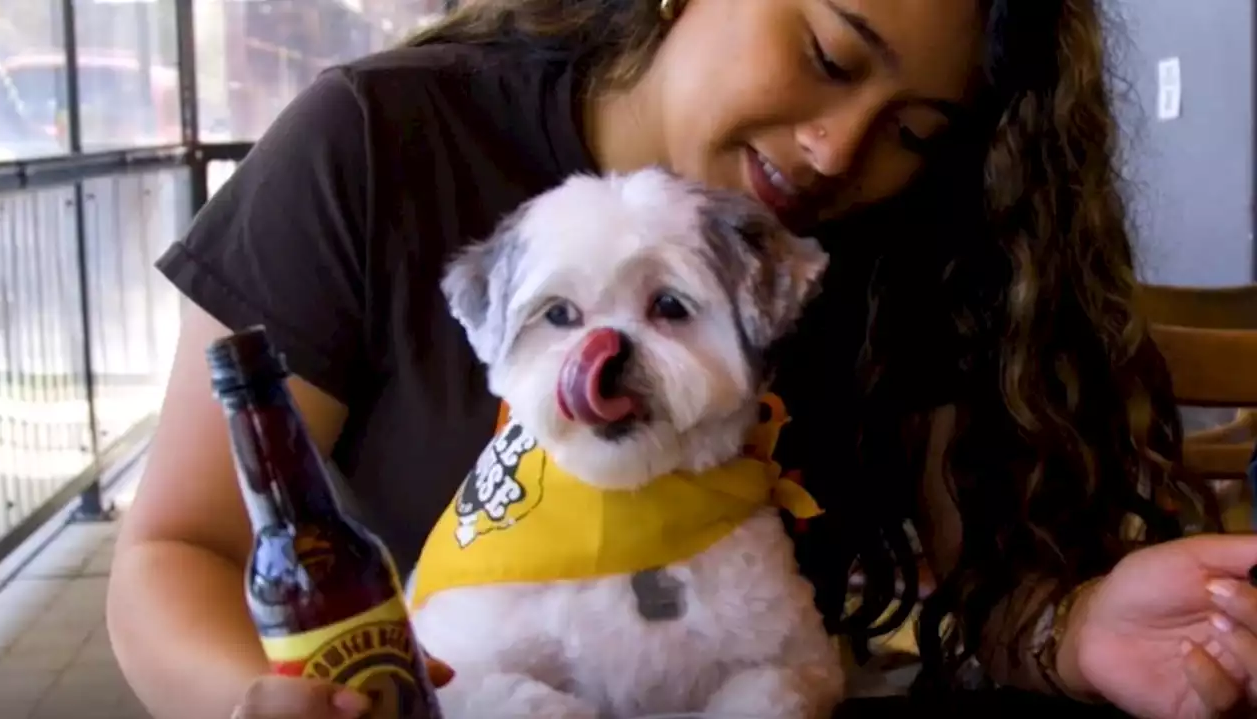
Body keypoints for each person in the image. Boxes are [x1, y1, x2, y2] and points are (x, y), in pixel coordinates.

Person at [106, 0, 1257, 717]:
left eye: (913, 131)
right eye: (825, 50)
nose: (833, 148)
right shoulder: (373, 148)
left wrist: (1076, 628)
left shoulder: (882, 250)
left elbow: (982, 592)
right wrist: (243, 701)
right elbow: (180, 545)